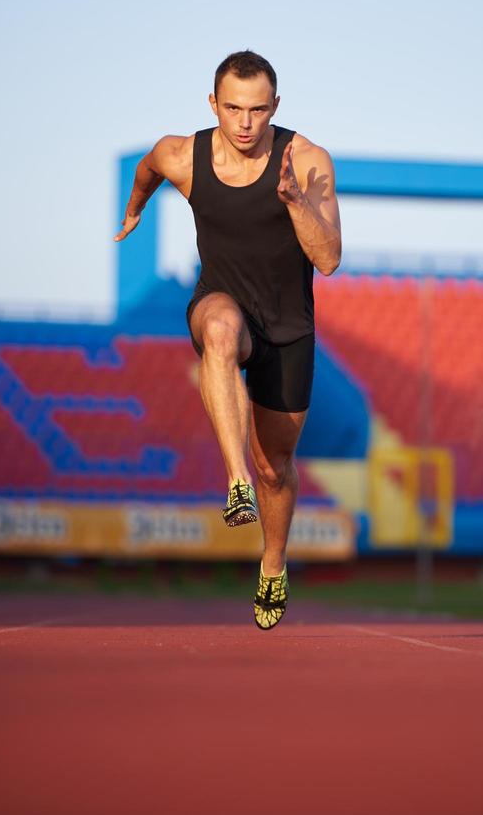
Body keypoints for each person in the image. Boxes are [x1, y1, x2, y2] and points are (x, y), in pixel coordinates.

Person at [114, 50, 341, 629]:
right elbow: (147, 168)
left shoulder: (307, 160)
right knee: (218, 329)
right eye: (233, 108)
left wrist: (294, 203)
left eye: (258, 110)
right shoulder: (183, 154)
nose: (245, 123)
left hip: (289, 327)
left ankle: (272, 560)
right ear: (213, 104)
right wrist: (136, 208)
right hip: (224, 304)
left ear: (275, 107)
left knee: (277, 466)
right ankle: (234, 480)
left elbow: (329, 258)